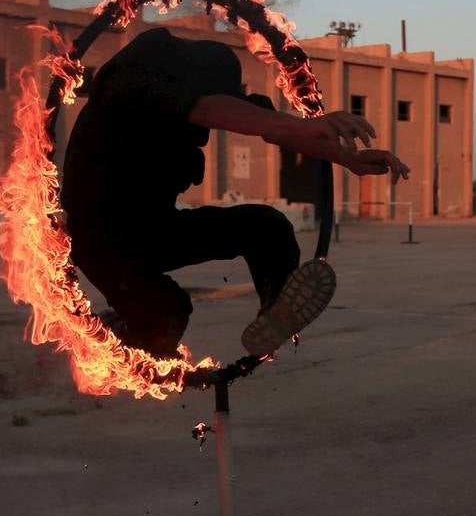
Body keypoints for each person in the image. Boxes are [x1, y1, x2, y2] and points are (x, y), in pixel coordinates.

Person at [59, 27, 409, 358]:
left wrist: (351, 159)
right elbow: (208, 108)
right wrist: (307, 123)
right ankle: (114, 330)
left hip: (154, 227)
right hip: (102, 240)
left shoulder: (197, 85)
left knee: (267, 227)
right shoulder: (132, 84)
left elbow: (271, 128)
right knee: (165, 317)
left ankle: (276, 310)